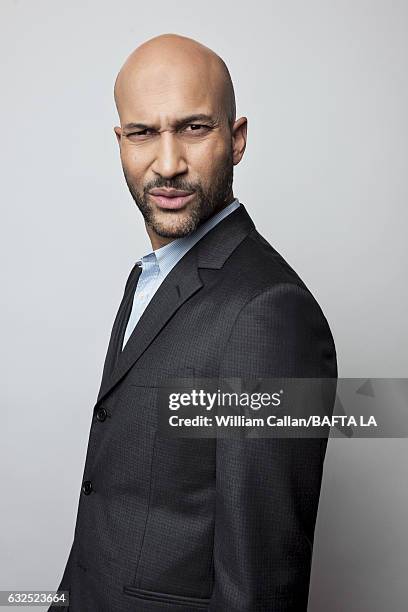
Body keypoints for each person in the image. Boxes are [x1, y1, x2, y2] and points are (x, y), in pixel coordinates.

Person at [50, 33, 337, 612]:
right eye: (143, 133)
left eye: (194, 127)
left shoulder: (269, 312)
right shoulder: (150, 276)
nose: (168, 163)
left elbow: (259, 584)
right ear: (120, 142)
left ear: (237, 140)